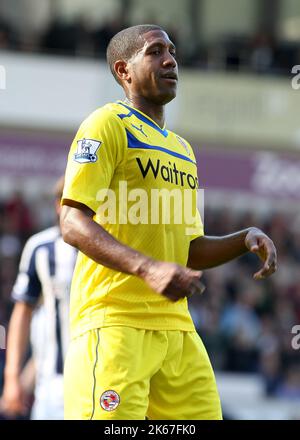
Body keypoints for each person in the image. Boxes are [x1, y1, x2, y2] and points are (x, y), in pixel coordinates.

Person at [60, 24, 277, 420]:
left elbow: (189, 248)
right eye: (155, 51)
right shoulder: (106, 124)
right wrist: (147, 267)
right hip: (115, 326)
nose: (170, 60)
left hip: (178, 332)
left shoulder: (183, 150)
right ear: (124, 71)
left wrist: (243, 239)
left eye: (172, 51)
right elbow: (72, 221)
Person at [1, 177, 77, 420]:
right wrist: (13, 379)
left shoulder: (114, 248)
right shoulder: (41, 247)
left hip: (104, 376)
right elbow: (23, 314)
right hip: (55, 385)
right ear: (58, 204)